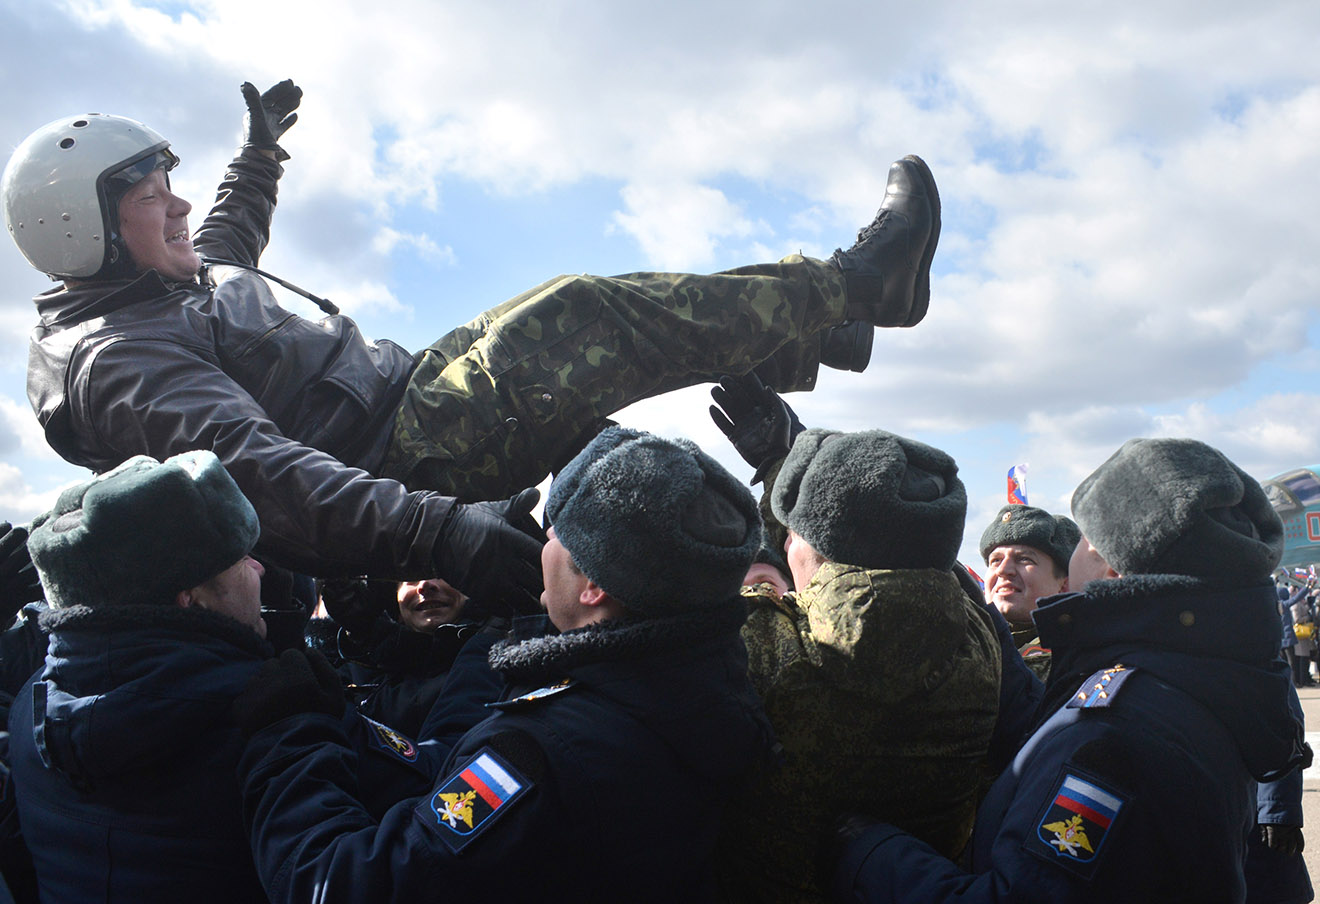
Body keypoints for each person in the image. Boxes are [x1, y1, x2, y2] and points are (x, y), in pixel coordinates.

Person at [3, 79, 942, 611]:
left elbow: (227, 242)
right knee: (581, 316)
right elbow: (256, 470)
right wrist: (437, 532)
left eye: (174, 182)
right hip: (396, 463)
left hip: (410, 391)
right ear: (83, 227)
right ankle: (857, 288)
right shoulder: (116, 360)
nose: (176, 202)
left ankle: (818, 326)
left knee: (575, 346)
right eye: (148, 194)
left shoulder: (163, 286)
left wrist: (259, 155)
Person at [235, 427, 776, 903]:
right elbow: (444, 773)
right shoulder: (700, 687)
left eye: (554, 535)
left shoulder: (538, 755)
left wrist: (290, 734)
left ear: (595, 586)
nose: (541, 547)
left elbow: (341, 886)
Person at [832, 437, 1309, 903]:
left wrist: (868, 849)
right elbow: (1042, 725)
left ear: (1111, 568)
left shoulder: (1114, 739)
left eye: (1083, 539)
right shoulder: (1190, 677)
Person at [6, 451, 436, 903]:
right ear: (191, 599)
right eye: (240, 558)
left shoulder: (27, 707)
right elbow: (427, 788)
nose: (260, 569)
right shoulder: (275, 709)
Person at [709, 419, 1001, 902]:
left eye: (792, 534)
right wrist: (788, 471)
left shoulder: (758, 646)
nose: (785, 545)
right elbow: (891, 531)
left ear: (815, 547)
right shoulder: (979, 640)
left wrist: (779, 467)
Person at [979, 503, 1080, 680]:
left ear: (1065, 584)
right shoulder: (964, 641)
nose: (1003, 570)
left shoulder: (1077, 656)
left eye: (1024, 559)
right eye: (995, 560)